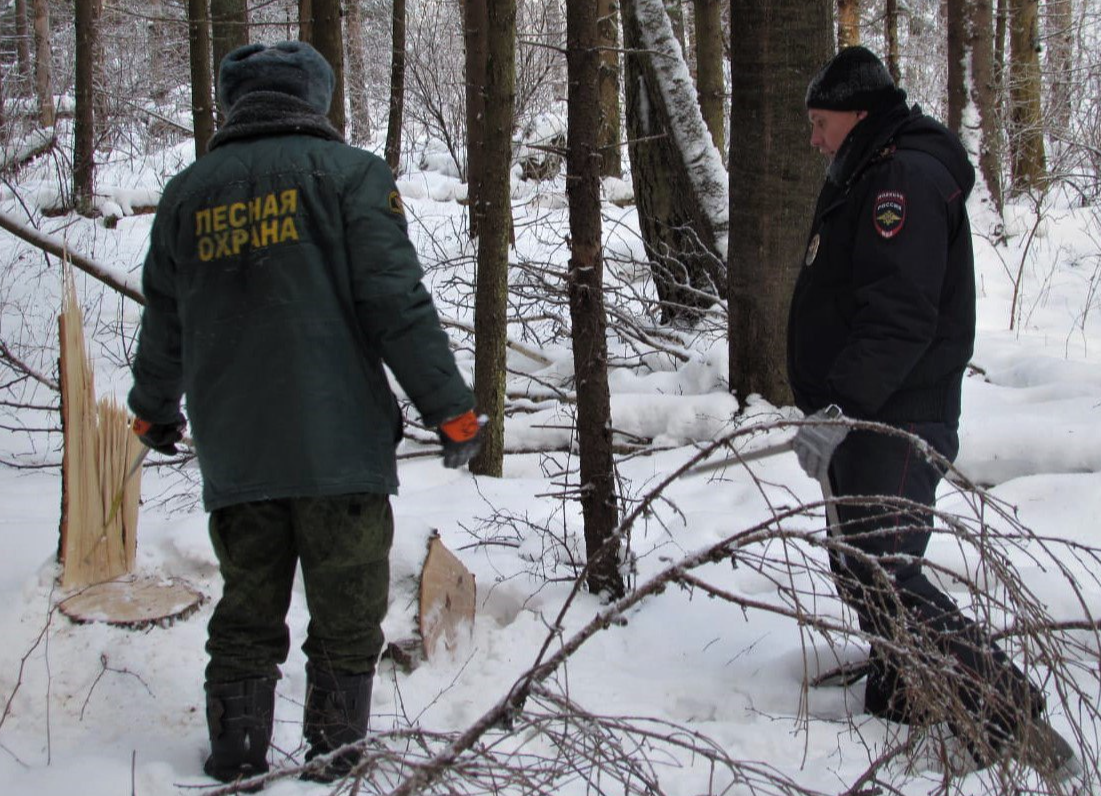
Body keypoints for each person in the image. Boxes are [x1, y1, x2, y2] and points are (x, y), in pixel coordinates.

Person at [127, 41, 482, 785]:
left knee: (247, 612)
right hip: (339, 452)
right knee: (347, 615)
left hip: (238, 452)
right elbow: (395, 303)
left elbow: (164, 318)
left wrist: (153, 410)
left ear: (235, 103)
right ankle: (334, 757)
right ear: (313, 98)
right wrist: (448, 408)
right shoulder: (351, 175)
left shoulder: (188, 192)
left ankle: (235, 759)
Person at [786, 46, 1078, 777]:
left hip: (895, 413)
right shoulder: (874, 165)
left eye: (820, 123)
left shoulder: (902, 180)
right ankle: (903, 684)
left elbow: (899, 315)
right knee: (863, 563)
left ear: (855, 113)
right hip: (869, 410)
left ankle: (1010, 712)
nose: (814, 138)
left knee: (882, 568)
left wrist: (842, 407)